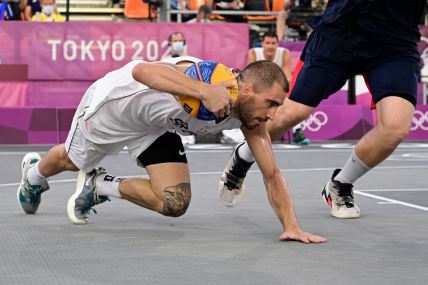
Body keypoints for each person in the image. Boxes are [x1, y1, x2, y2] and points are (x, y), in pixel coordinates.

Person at [16, 56, 326, 243]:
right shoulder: (210, 76)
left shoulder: (251, 120)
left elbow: (271, 174)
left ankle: (99, 186)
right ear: (246, 90)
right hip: (117, 109)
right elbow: (141, 71)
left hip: (156, 126)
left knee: (175, 202)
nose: (272, 115)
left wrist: (292, 226)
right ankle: (33, 176)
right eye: (270, 103)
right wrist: (203, 90)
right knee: (70, 161)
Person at [219, 0, 425, 219]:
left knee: (395, 127)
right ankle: (243, 155)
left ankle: (340, 183)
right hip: (341, 32)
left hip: (395, 41)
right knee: (289, 114)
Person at [223, 32, 310, 145]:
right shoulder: (253, 53)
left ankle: (297, 132)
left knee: (292, 101)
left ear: (277, 44)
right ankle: (235, 132)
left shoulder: (284, 53)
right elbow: (250, 77)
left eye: (273, 43)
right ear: (262, 44)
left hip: (276, 93)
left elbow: (287, 78)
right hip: (259, 92)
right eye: (267, 43)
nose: (270, 46)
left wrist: (273, 92)